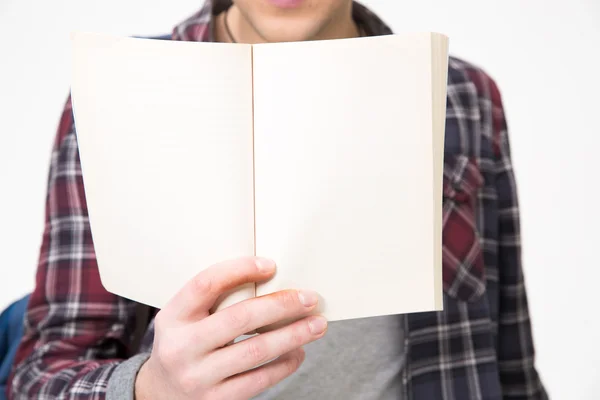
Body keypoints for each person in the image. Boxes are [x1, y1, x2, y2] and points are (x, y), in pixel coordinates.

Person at [7, 0, 548, 399]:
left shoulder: (464, 96)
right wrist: (152, 387)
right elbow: (40, 377)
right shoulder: (119, 91)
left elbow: (513, 358)